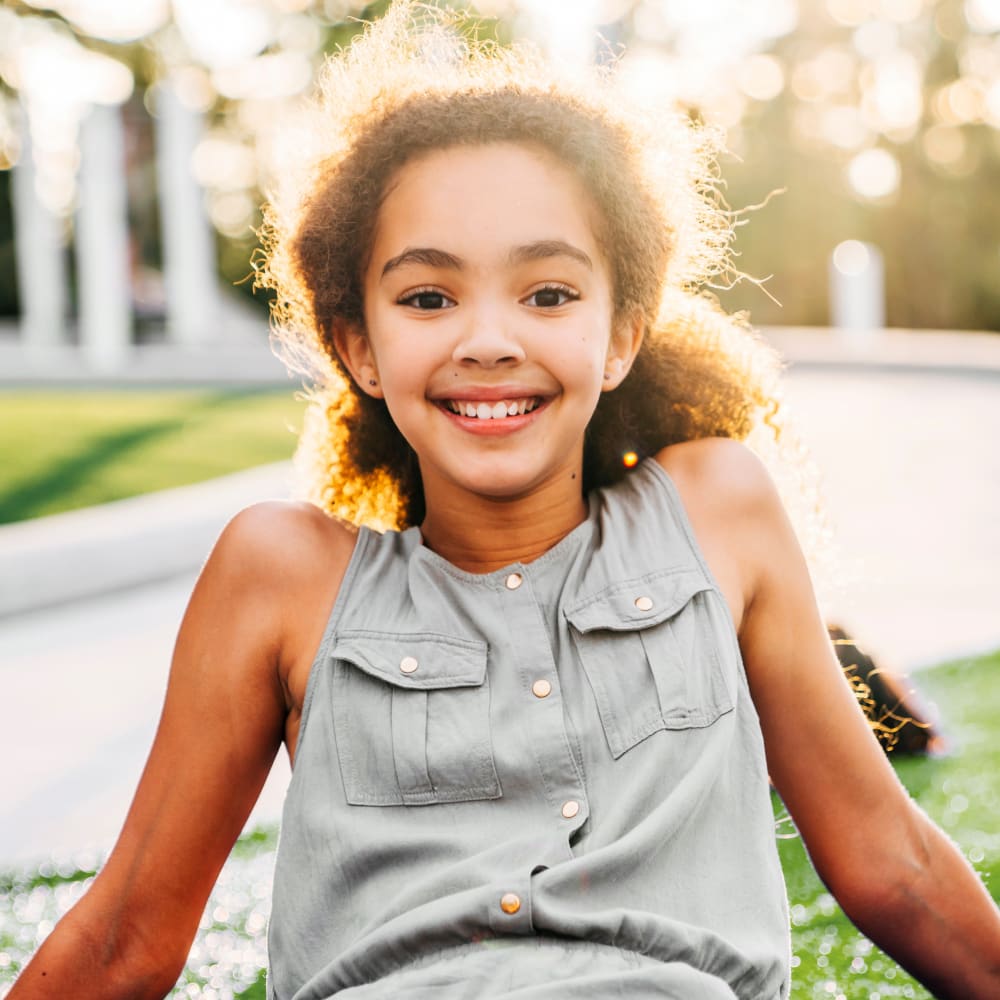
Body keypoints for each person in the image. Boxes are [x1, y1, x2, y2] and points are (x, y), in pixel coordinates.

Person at [11, 4, 1000, 998]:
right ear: (358, 343)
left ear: (621, 334)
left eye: (549, 293)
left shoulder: (716, 510)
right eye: (429, 298)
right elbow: (125, 938)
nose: (488, 339)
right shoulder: (279, 574)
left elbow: (895, 866)